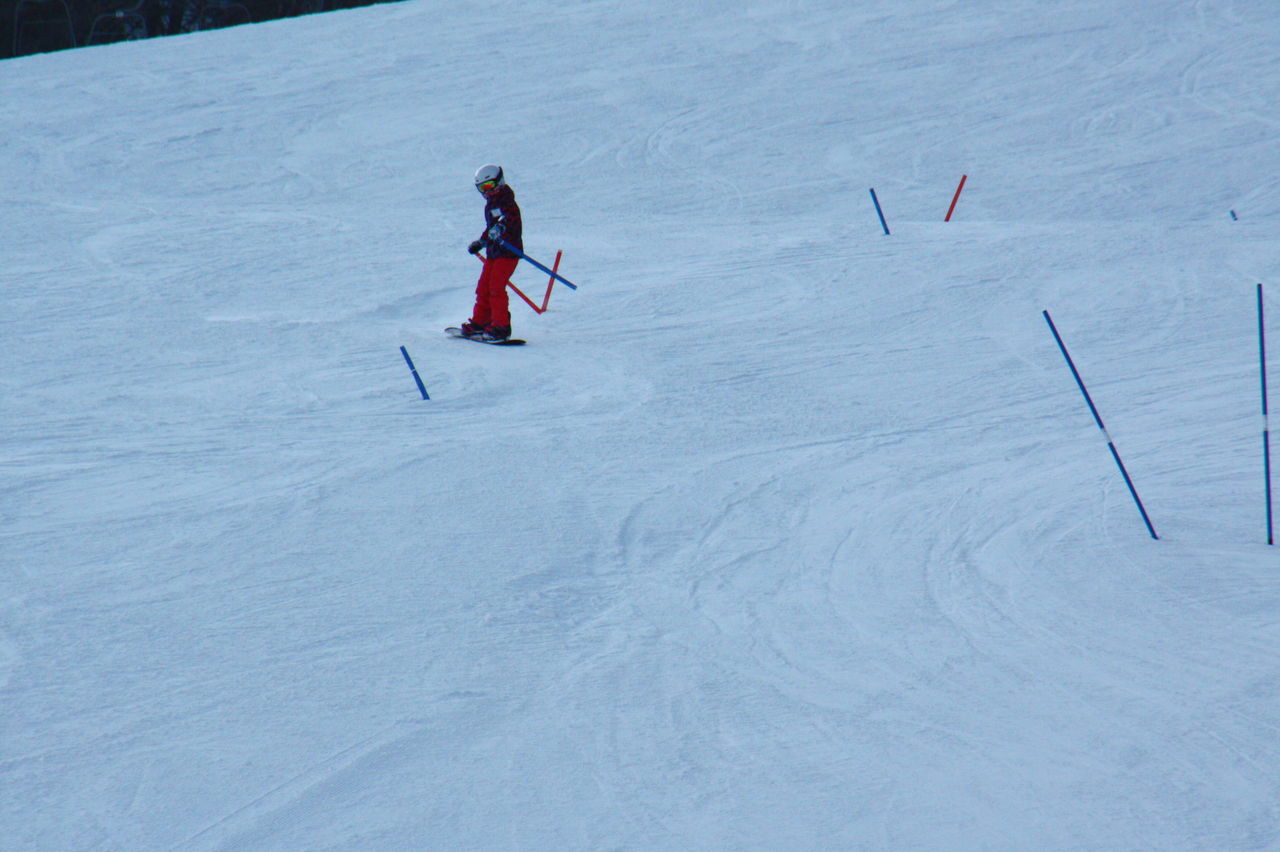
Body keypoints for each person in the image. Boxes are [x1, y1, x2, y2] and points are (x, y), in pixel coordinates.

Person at [460, 164, 523, 340]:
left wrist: (501, 228)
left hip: (509, 252)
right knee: (483, 287)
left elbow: (511, 220)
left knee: (496, 288)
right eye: (482, 188)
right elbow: (491, 229)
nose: (487, 192)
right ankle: (481, 322)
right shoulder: (491, 205)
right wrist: (481, 242)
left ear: (500, 182)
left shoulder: (507, 201)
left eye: (489, 186)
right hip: (494, 253)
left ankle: (501, 326)